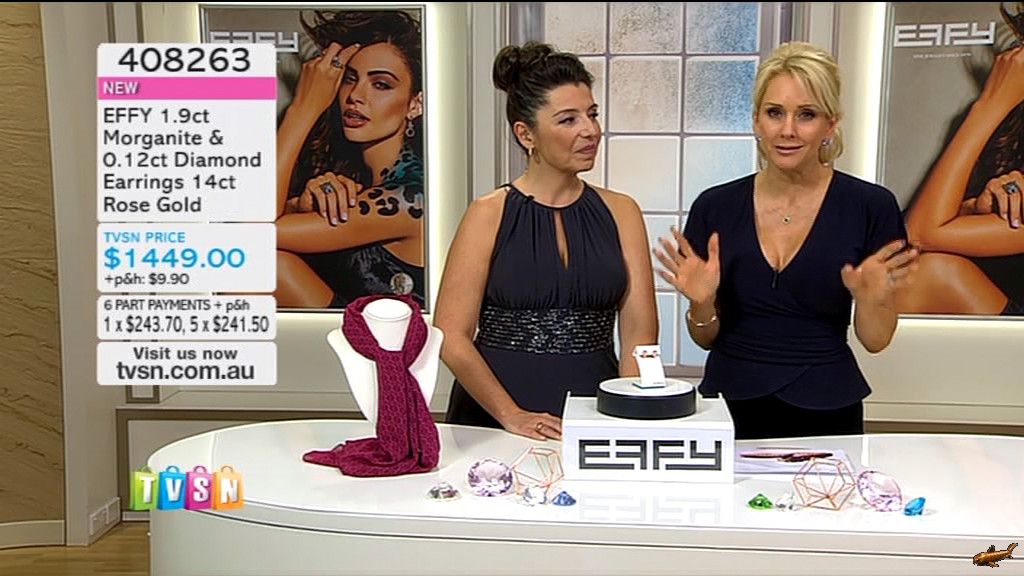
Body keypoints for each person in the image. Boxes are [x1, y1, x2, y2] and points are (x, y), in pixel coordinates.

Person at [654, 42, 918, 440]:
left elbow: (876, 341)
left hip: (829, 406)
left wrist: (870, 300)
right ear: (756, 120)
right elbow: (706, 338)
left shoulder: (871, 206)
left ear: (831, 124)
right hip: (729, 405)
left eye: (806, 114)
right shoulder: (715, 206)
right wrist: (702, 303)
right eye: (774, 112)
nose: (787, 130)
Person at [434, 42, 659, 440]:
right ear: (526, 134)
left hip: (595, 413)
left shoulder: (622, 211)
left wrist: (629, 419)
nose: (590, 130)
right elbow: (451, 336)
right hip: (494, 419)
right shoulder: (488, 213)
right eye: (569, 120)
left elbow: (639, 339)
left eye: (592, 114)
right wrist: (511, 415)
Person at [275, 10, 426, 309]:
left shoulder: (409, 198)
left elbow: (246, 237)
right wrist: (300, 206)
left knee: (262, 265)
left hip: (386, 339)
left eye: (381, 84)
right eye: (349, 79)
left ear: (415, 104)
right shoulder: (353, 180)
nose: (356, 95)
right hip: (341, 332)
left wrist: (303, 108)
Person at [896, 14, 1024, 316]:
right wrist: (974, 208)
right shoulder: (1011, 135)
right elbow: (902, 242)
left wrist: (990, 104)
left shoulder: (996, 111)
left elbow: (919, 234)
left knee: (926, 277)